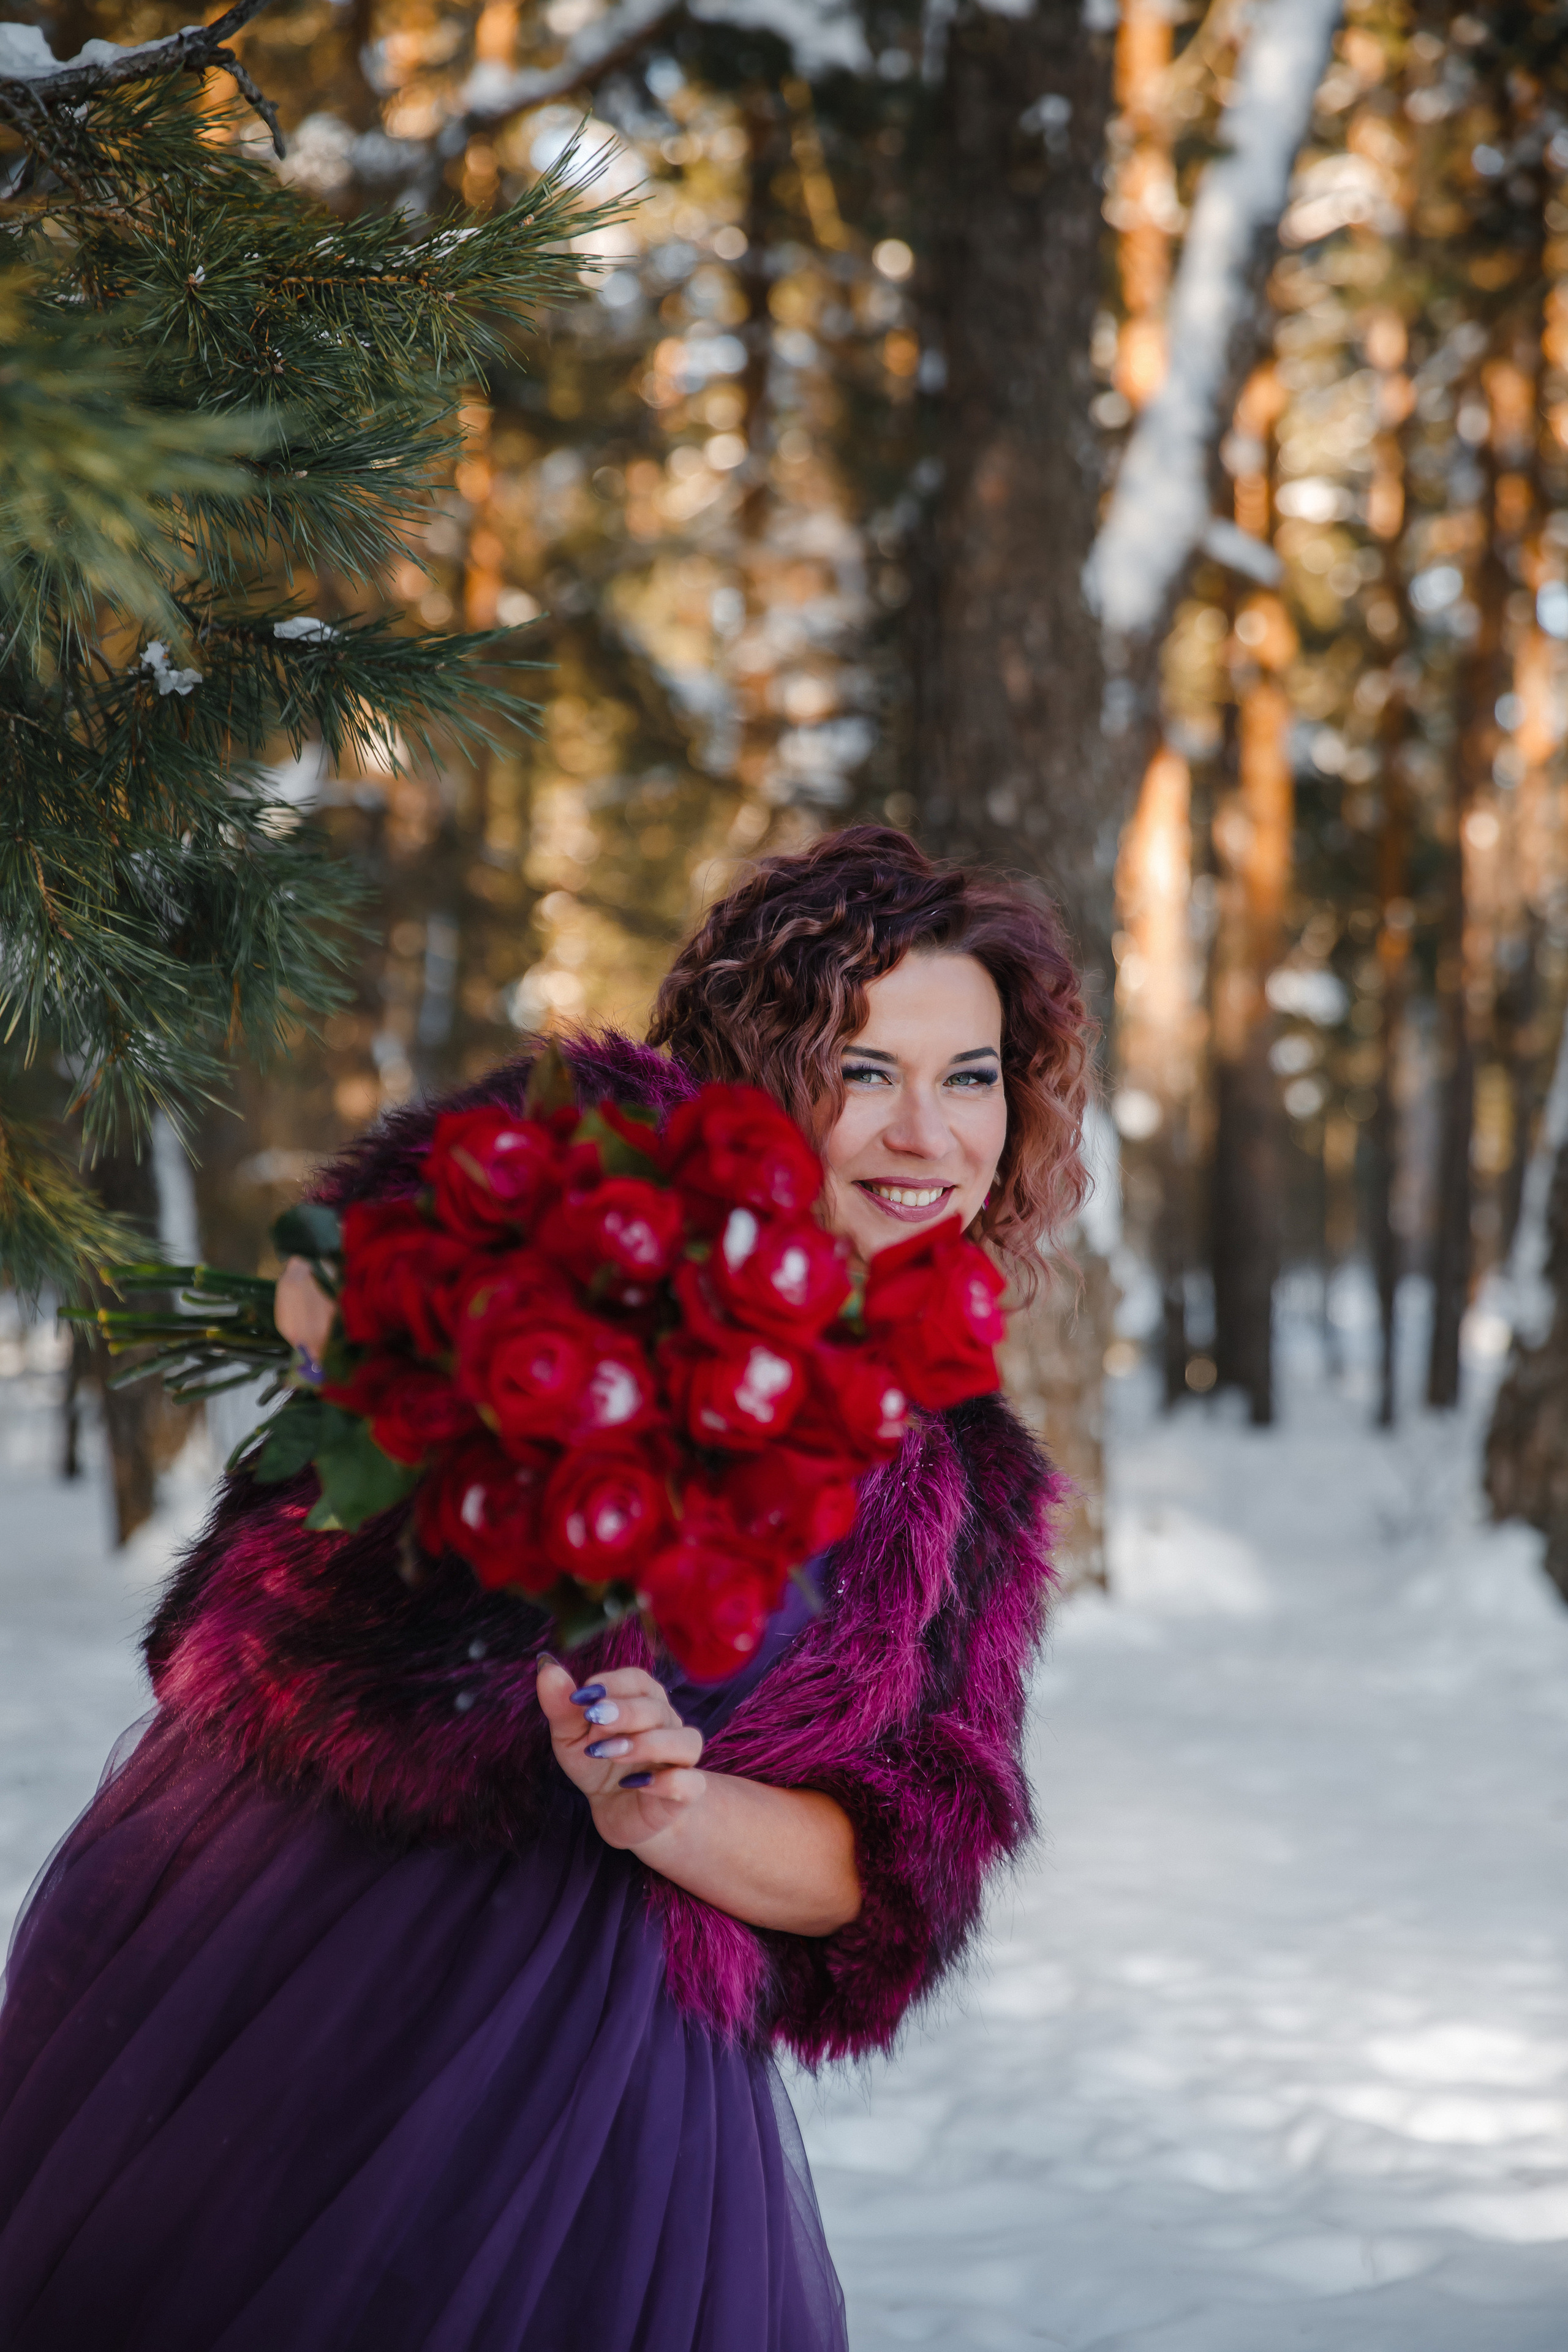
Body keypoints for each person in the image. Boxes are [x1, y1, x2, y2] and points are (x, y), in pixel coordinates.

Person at [0, 824, 1090, 2351]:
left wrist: (675, 1809)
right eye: (862, 1069)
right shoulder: (577, 1178)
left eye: (968, 1077)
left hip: (617, 2081)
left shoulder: (965, 1490)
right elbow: (266, 1559)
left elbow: (900, 1872)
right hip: (306, 1959)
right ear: (760, 1064)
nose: (926, 1133)